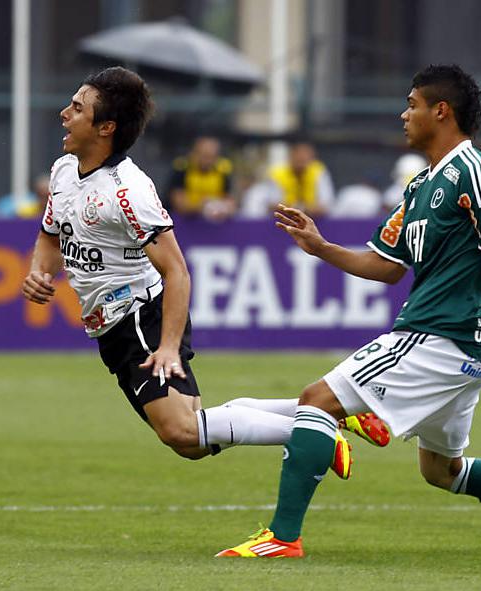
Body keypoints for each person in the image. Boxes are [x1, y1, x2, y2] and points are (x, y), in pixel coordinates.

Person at [217, 64, 481, 558]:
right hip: (460, 349)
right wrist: (322, 247)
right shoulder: (421, 186)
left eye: (412, 105)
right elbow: (386, 266)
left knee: (317, 402)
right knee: (442, 471)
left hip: (440, 336)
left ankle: (282, 537)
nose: (404, 114)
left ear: (441, 111)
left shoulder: (475, 174)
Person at [21, 67, 388, 464]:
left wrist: (167, 347)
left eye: (77, 108)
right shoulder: (63, 171)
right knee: (192, 437)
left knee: (181, 430)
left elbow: (176, 271)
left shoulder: (127, 191)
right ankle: (332, 412)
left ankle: (317, 434)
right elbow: (51, 235)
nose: (64, 113)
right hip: (110, 327)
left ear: (106, 127)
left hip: (139, 316)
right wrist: (40, 271)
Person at [167, 136, 236, 221]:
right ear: (194, 153)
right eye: (204, 156)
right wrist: (203, 206)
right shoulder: (182, 169)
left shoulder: (223, 171)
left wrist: (222, 208)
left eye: (212, 157)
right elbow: (178, 203)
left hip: (213, 222)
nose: (208, 161)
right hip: (184, 221)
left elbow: (230, 202)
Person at [267, 142, 336, 217]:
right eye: (298, 157)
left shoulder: (319, 172)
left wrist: (300, 209)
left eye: (305, 158)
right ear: (290, 157)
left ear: (312, 158)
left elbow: (326, 204)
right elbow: (273, 205)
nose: (301, 160)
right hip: (285, 219)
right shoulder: (278, 174)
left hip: (314, 219)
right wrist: (300, 209)